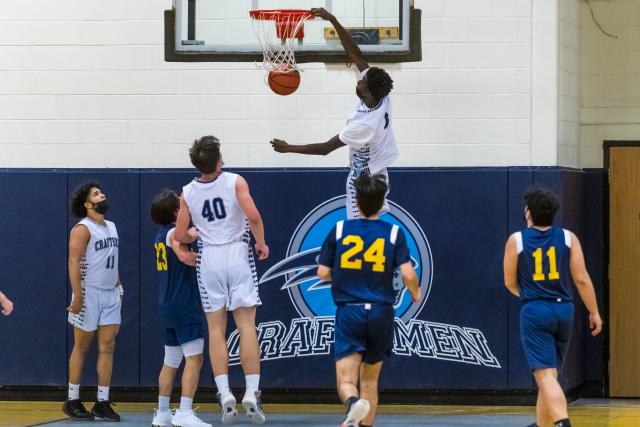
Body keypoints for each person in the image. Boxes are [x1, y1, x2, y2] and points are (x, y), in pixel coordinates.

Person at [174, 135, 269, 425]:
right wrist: (261, 243)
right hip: (238, 252)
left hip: (209, 258)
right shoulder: (235, 181)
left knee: (216, 330)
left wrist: (188, 241)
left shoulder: (187, 192)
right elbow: (253, 216)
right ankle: (252, 391)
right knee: (246, 326)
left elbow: (179, 236)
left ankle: (224, 392)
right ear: (219, 159)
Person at [270, 7, 397, 220]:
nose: (359, 79)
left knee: (361, 229)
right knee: (373, 226)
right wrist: (333, 20)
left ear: (370, 93)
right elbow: (355, 54)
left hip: (363, 179)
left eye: (362, 82)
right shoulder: (381, 95)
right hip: (379, 172)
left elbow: (325, 148)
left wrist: (288, 148)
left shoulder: (364, 126)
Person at [317, 173, 420, 427]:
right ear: (383, 200)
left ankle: (353, 405)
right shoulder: (394, 233)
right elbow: (408, 273)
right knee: (370, 381)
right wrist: (415, 293)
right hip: (381, 312)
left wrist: (344, 275)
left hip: (350, 311)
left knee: (346, 381)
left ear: (357, 200)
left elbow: (322, 272)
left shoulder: (340, 229)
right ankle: (362, 419)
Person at [503, 188, 603, 427]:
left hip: (535, 310)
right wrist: (594, 312)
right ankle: (543, 424)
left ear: (528, 212)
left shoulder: (516, 240)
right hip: (564, 311)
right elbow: (581, 278)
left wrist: (530, 295)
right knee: (550, 375)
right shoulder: (569, 237)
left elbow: (509, 282)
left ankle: (561, 422)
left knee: (545, 375)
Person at [150, 190, 211, 427]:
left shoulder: (159, 234)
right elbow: (184, 255)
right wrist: (210, 257)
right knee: (195, 359)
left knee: (171, 361)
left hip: (166, 304)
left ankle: (163, 414)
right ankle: (184, 412)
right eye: (180, 203)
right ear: (176, 212)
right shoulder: (174, 234)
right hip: (183, 303)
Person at [63, 182, 123, 422]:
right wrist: (77, 295)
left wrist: (119, 286)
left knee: (107, 347)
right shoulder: (82, 228)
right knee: (82, 346)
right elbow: (73, 262)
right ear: (87, 204)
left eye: (101, 192)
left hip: (110, 293)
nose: (102, 195)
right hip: (88, 293)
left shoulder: (112, 226)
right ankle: (73, 399)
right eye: (96, 194)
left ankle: (102, 402)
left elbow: (112, 259)